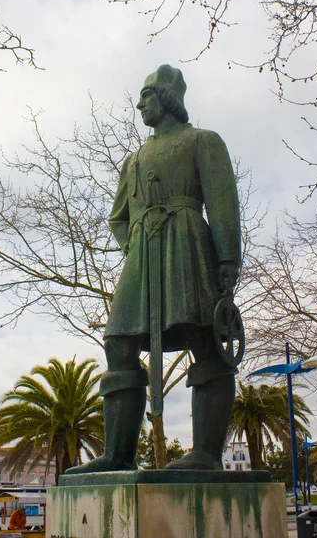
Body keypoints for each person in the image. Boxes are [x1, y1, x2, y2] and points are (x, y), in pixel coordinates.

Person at [66, 64, 241, 474]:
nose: (139, 101)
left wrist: (228, 257)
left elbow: (222, 203)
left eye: (146, 93)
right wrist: (136, 243)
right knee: (119, 344)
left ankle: (206, 455)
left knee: (206, 339)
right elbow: (118, 217)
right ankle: (117, 455)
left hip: (188, 244)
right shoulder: (134, 159)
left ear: (166, 97)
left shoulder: (203, 141)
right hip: (143, 254)